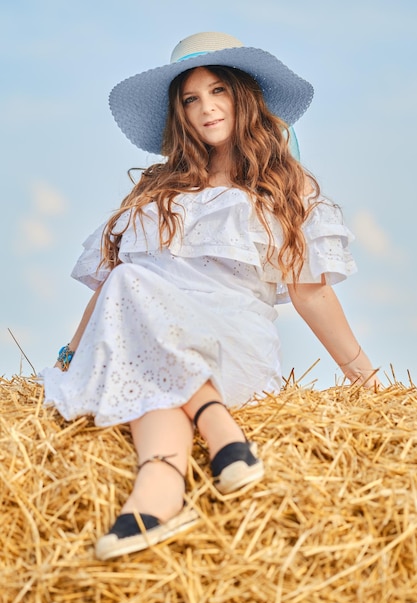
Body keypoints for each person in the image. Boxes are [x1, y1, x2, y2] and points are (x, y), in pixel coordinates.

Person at [42, 31, 380, 560]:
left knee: (135, 300)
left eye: (218, 90)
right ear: (180, 114)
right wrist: (70, 355)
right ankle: (159, 497)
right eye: (190, 99)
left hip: (233, 344)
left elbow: (310, 293)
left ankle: (217, 429)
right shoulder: (155, 192)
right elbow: (116, 289)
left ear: (243, 96)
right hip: (152, 338)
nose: (206, 108)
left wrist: (364, 375)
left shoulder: (284, 188)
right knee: (133, 300)